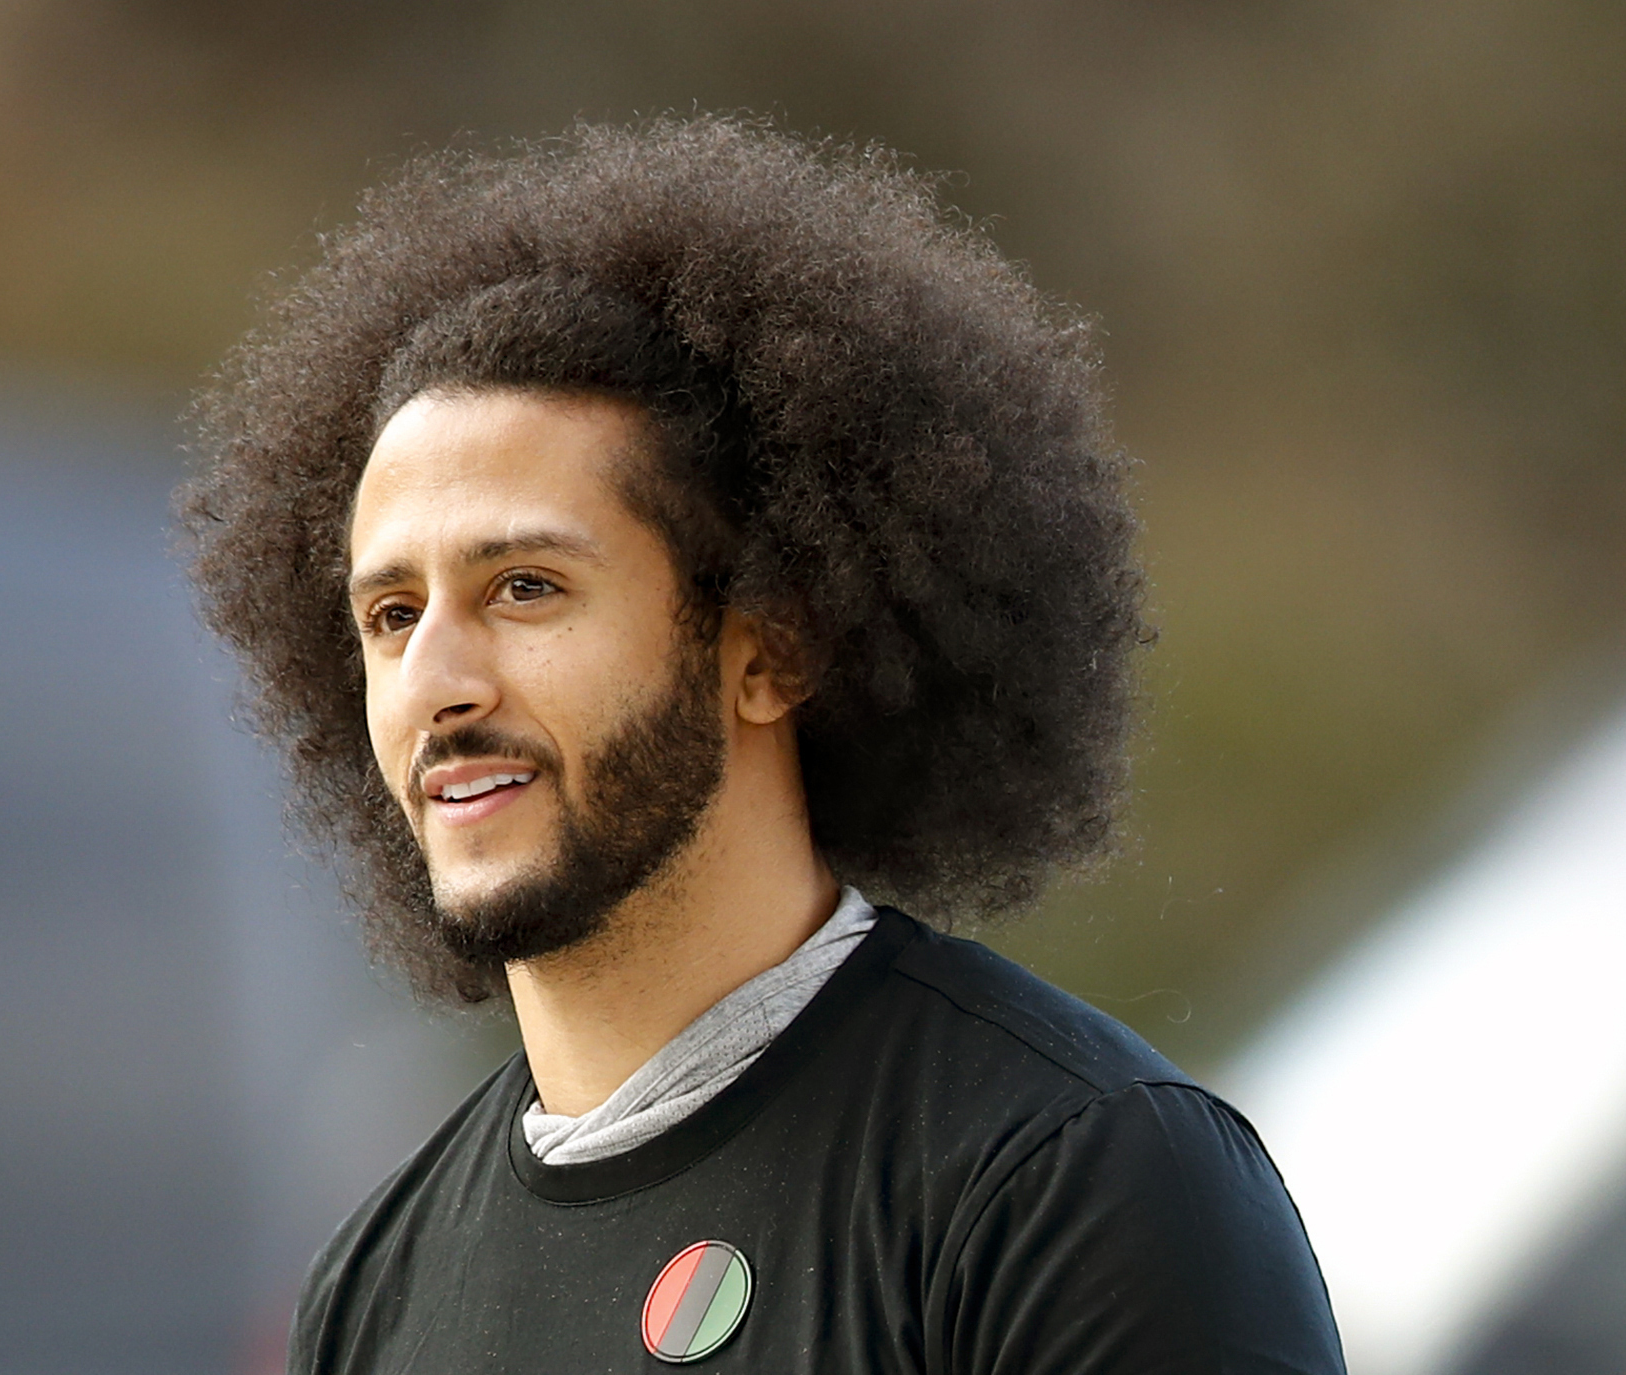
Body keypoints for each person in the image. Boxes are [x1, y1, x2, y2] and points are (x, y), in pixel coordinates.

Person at [179, 115, 1345, 1374]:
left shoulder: (1071, 1182)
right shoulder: (372, 1293)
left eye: (524, 587)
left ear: (769, 646)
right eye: (391, 616)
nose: (435, 683)